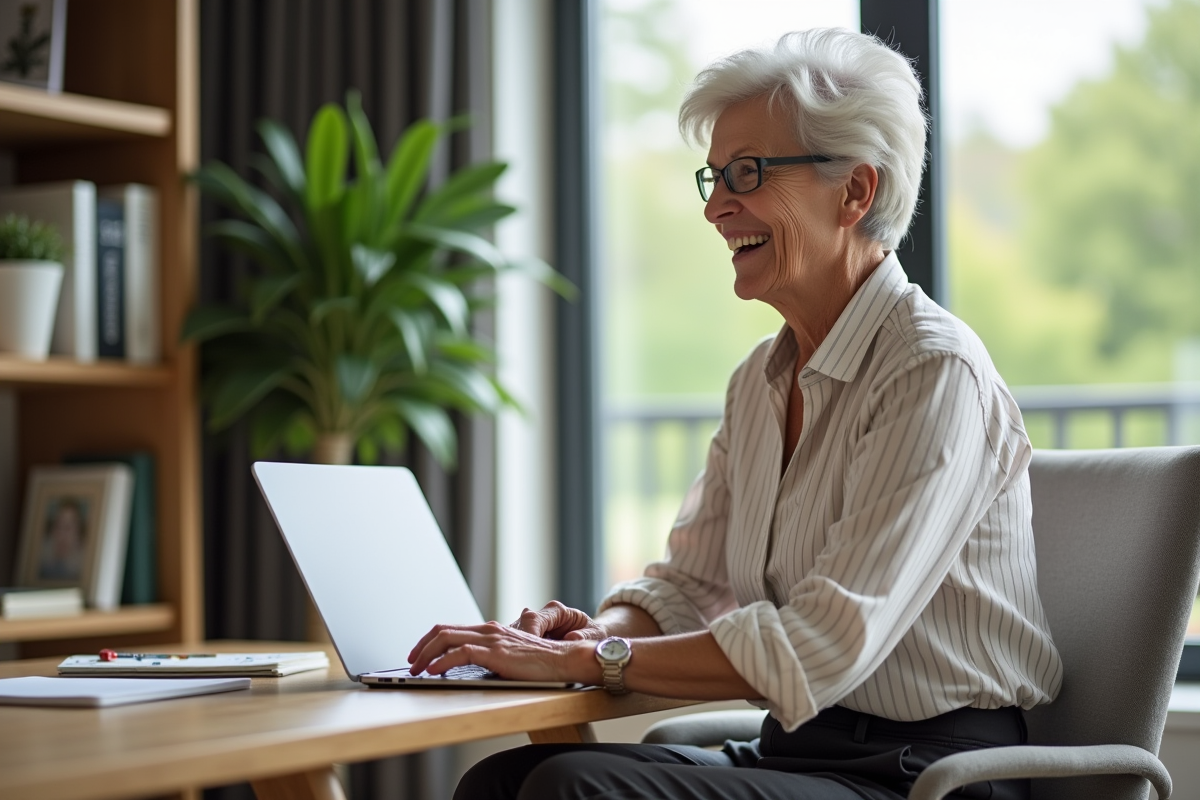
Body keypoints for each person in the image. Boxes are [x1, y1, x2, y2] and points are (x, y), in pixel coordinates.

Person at [409, 28, 1063, 800]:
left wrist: (584, 665)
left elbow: (822, 644)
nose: (718, 207)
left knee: (573, 789)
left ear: (856, 191)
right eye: (714, 177)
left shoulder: (932, 371)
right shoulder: (759, 379)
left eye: (746, 173)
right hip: (798, 752)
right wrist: (594, 633)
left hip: (934, 775)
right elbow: (687, 588)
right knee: (499, 782)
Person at [38, 497, 87, 582]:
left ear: (79, 533)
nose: (62, 534)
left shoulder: (83, 568)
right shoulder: (42, 562)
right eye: (58, 525)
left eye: (68, 527)